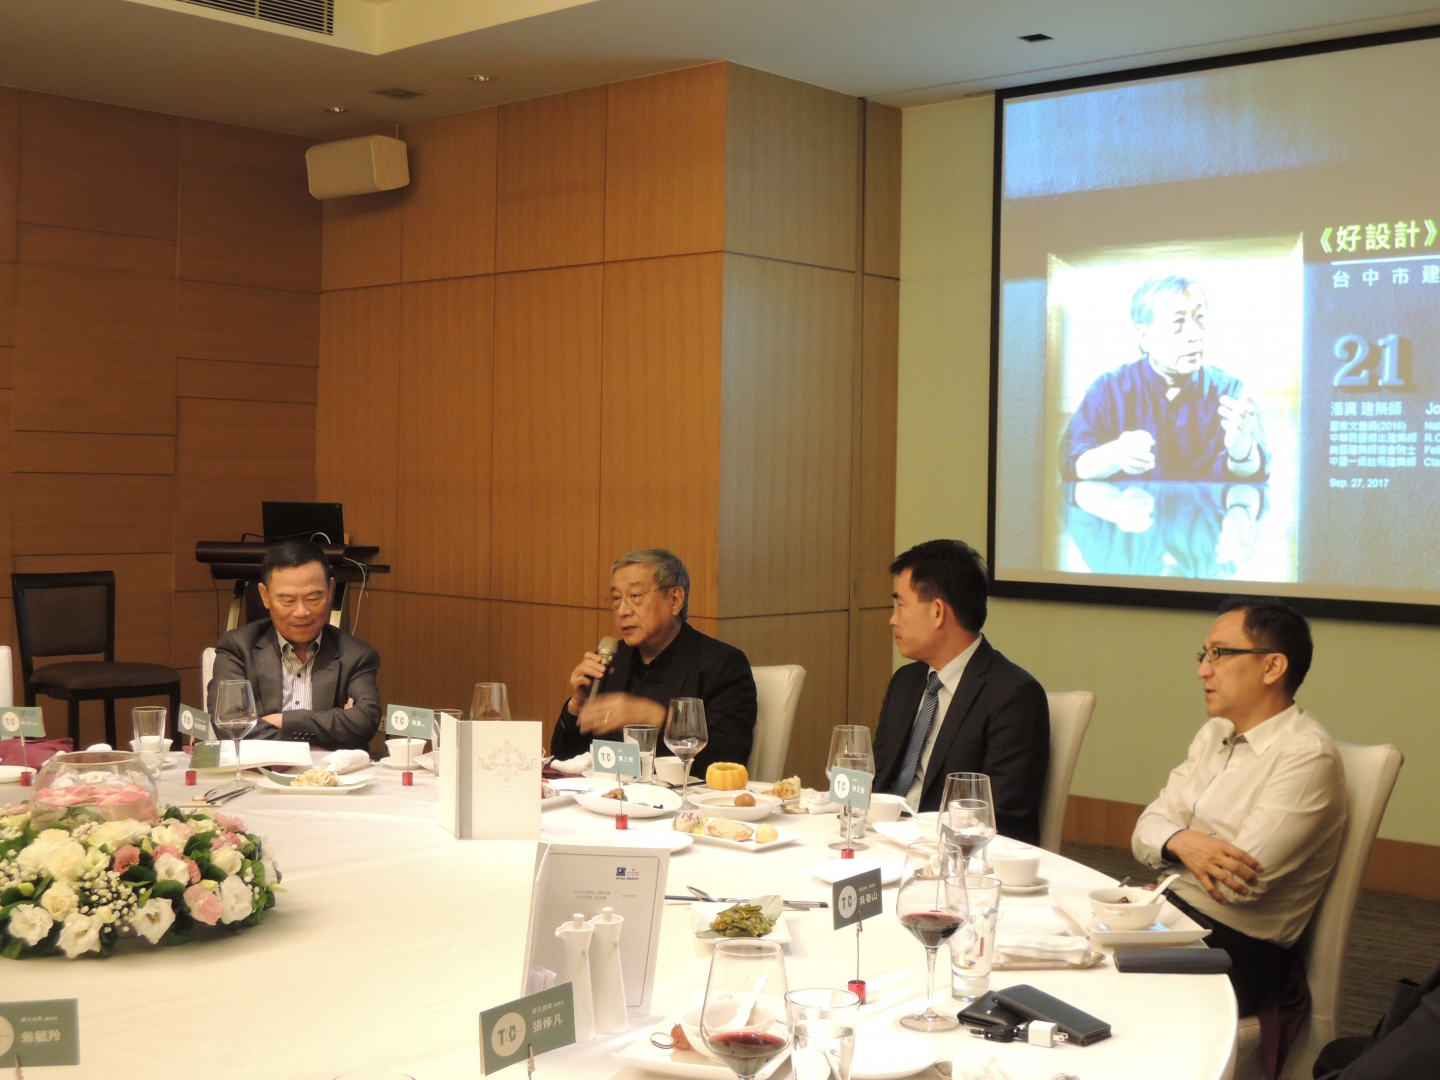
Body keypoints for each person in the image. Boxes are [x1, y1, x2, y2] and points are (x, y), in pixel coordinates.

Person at [1132, 598, 1346, 1076]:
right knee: (1059, 946)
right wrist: (1183, 842)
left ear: (1272, 666)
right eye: (1203, 655)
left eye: (1219, 654)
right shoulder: (1214, 734)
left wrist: (1171, 842)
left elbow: (1236, 884)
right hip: (1170, 916)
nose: (1203, 671)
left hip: (1235, 951)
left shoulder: (1306, 756)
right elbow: (1145, 831)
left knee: (1101, 980)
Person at [871, 540, 1050, 842]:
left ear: (938, 612)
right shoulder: (906, 682)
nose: (893, 619)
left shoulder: (1013, 696)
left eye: (901, 605)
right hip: (882, 838)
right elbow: (876, 777)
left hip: (952, 852)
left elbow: (1001, 817)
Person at [551, 549, 756, 771]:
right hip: (611, 790)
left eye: (635, 596)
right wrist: (576, 706)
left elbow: (728, 760)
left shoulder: (722, 665)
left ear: (675, 600)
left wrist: (655, 718)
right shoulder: (612, 661)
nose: (622, 611)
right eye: (617, 598)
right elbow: (566, 761)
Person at [1059, 275, 1268, 482]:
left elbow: (1258, 472)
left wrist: (1242, 450)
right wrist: (1114, 455)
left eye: (1200, 318)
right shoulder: (1109, 389)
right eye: (1178, 321)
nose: (1195, 335)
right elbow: (1071, 462)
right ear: (1144, 336)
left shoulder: (1230, 391)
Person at [208, 538, 381, 751]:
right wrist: (313, 746)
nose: (301, 612)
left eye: (313, 599)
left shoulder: (356, 655)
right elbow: (230, 725)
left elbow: (363, 722)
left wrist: (283, 720)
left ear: (330, 590)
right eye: (287, 600)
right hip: (263, 770)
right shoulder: (238, 647)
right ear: (265, 596)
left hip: (330, 772)